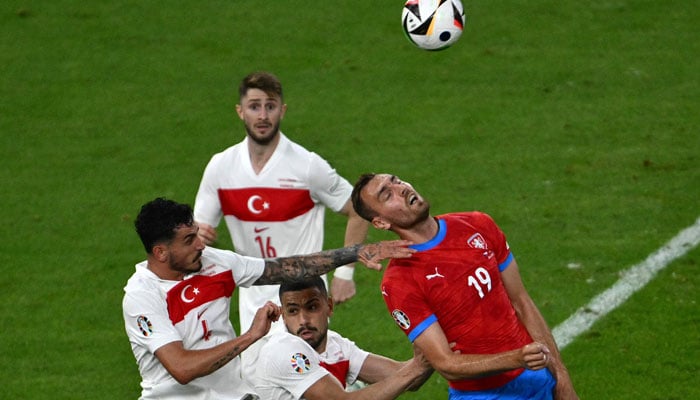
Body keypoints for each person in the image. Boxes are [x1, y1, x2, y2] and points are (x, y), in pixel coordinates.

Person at [122, 197, 412, 400]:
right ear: (160, 252)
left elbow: (287, 267)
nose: (201, 244)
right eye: (189, 240)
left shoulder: (215, 263)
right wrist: (251, 336)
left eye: (196, 234)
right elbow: (182, 368)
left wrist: (353, 253)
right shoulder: (142, 296)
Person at [351, 174, 579, 400]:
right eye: (387, 194)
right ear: (381, 222)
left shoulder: (477, 224)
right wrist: (517, 358)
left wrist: (561, 376)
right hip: (481, 395)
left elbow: (522, 301)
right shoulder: (400, 281)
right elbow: (447, 364)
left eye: (397, 181)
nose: (401, 189)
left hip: (538, 378)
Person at [193, 72, 368, 340]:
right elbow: (197, 232)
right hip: (251, 296)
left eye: (270, 106)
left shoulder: (307, 166)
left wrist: (345, 272)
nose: (263, 116)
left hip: (303, 296)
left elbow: (358, 208)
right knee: (258, 379)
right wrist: (200, 235)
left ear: (282, 111)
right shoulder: (220, 167)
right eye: (254, 106)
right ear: (240, 111)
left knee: (307, 375)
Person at [252, 276, 434, 399]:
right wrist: (420, 364)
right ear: (283, 315)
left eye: (312, 307)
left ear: (329, 306)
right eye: (293, 311)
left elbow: (408, 378)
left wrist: (436, 342)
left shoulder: (335, 345)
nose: (303, 320)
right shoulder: (282, 350)